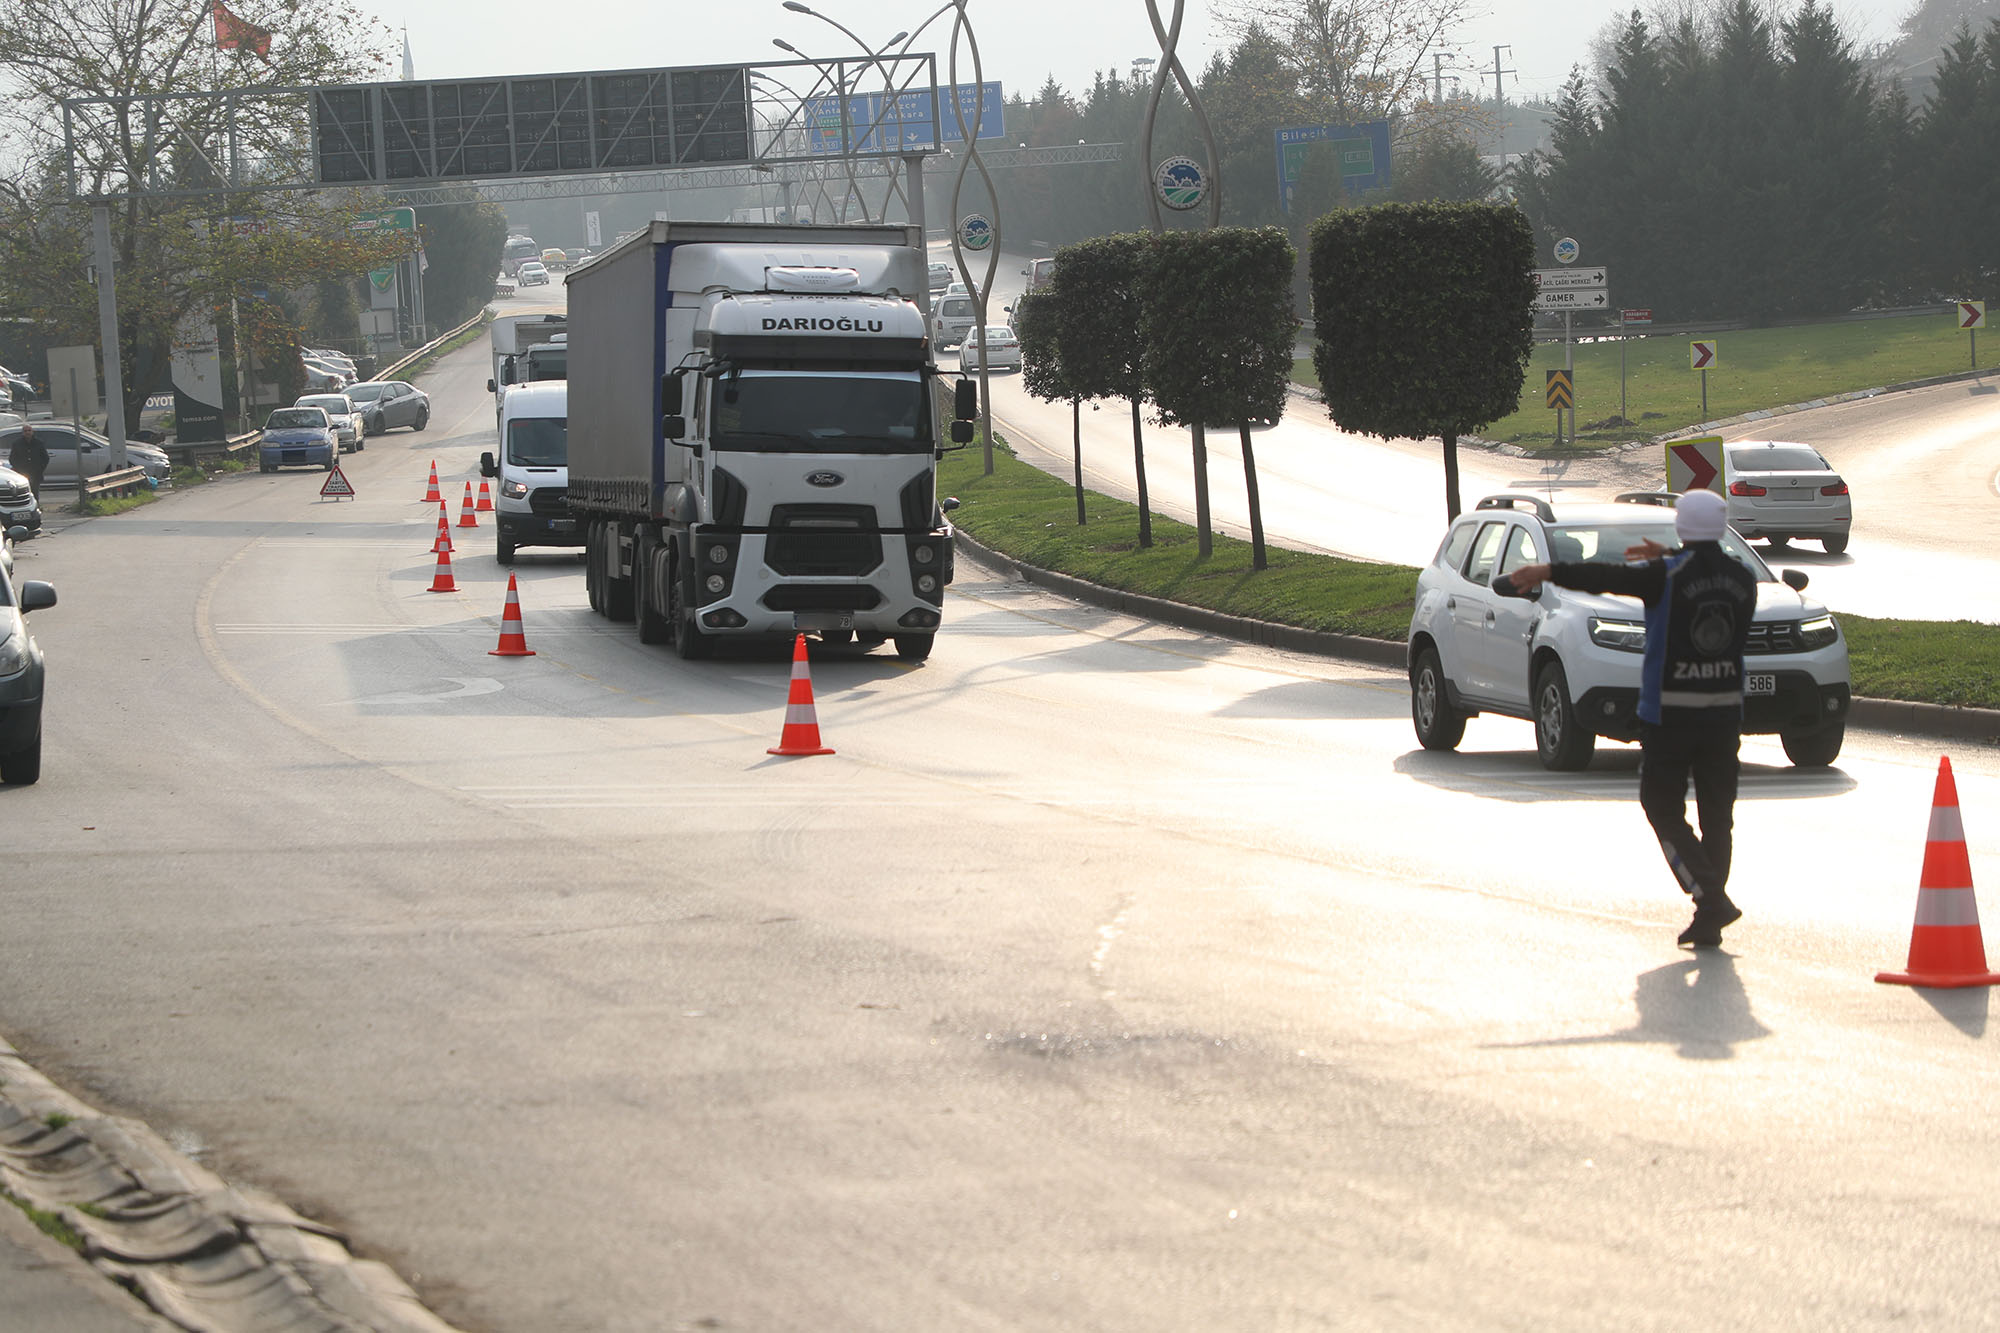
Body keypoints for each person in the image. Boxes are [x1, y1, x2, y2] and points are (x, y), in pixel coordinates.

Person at [1505, 488, 1757, 948]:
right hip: (1724, 713)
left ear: (1684, 526)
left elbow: (1606, 575)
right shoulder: (1743, 577)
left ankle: (1710, 897)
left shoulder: (1664, 575)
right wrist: (1669, 555)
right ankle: (1710, 909)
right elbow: (1703, 569)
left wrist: (1547, 569)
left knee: (1661, 805)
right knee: (1718, 816)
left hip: (1670, 714)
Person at [10, 423, 48, 499]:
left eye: (29, 430)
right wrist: (18, 470)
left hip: (35, 474)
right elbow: (12, 459)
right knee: (23, 494)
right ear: (22, 433)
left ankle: (36, 507)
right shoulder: (17, 443)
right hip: (22, 474)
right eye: (25, 431)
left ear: (32, 432)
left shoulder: (39, 443)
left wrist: (40, 469)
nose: (27, 432)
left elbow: (45, 458)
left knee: (35, 493)